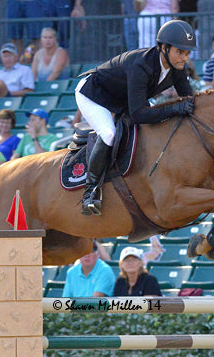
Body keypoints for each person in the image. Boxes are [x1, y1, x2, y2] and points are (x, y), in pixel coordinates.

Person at [75, 19, 196, 215]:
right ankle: (90, 192)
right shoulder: (141, 65)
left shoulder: (177, 68)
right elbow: (139, 114)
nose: (184, 58)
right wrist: (175, 108)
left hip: (124, 99)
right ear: (164, 48)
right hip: (95, 94)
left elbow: (190, 99)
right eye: (180, 52)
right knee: (109, 134)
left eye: (187, 53)